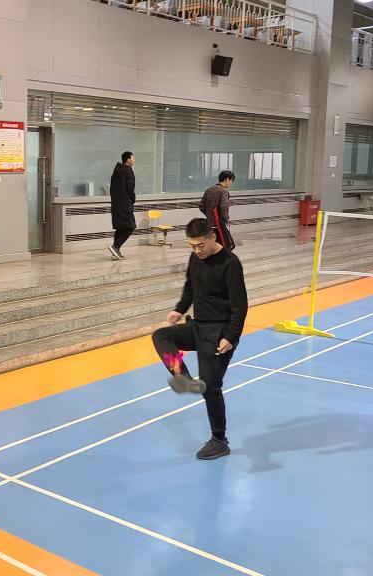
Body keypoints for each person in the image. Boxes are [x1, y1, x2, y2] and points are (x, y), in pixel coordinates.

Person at [151, 217, 248, 460]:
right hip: (198, 326)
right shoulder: (195, 258)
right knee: (161, 336)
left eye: (200, 245)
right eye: (192, 246)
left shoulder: (230, 263)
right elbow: (190, 287)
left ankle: (219, 440)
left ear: (212, 237)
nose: (197, 250)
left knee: (210, 387)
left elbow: (240, 306)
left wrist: (231, 337)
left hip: (219, 332)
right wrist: (179, 310)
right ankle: (182, 377)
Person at [109, 151, 137, 260]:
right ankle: (115, 247)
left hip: (116, 204)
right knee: (130, 227)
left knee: (120, 228)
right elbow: (130, 188)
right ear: (128, 160)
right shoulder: (128, 171)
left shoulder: (117, 171)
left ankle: (115, 251)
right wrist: (132, 199)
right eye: (133, 158)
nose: (134, 160)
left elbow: (112, 188)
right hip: (125, 204)